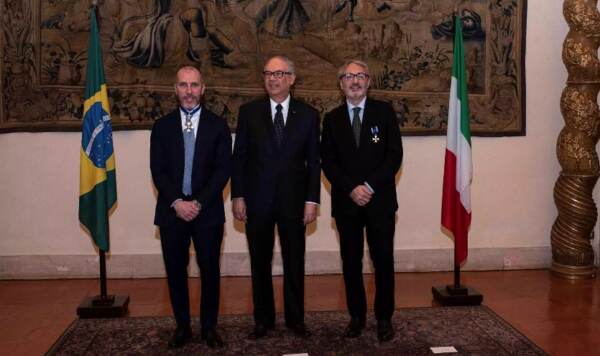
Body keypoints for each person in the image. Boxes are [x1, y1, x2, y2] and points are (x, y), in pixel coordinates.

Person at [231, 55, 320, 339]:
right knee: (260, 263)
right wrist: (238, 195)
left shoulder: (308, 115)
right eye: (268, 73)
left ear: (292, 79)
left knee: (295, 262)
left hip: (294, 202)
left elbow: (314, 162)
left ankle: (296, 319)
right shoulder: (249, 112)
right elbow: (240, 158)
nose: (273, 78)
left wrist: (312, 200)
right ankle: (263, 320)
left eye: (280, 73)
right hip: (257, 201)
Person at [320, 59, 403, 342]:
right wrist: (351, 189)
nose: (354, 81)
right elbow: (328, 162)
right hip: (347, 203)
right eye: (348, 77)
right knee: (351, 262)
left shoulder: (384, 112)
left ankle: (383, 319)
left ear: (368, 81)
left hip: (380, 202)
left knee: (383, 261)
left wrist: (367, 186)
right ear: (341, 83)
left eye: (360, 76)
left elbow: (394, 155)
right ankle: (356, 317)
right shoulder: (331, 119)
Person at [150, 65, 232, 349]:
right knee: (175, 271)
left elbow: (223, 171)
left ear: (203, 89)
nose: (189, 91)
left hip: (206, 212)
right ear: (175, 90)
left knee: (210, 271)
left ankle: (209, 327)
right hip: (172, 213)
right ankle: (182, 327)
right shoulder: (161, 127)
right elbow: (157, 171)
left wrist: (197, 202)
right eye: (183, 85)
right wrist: (177, 202)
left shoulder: (218, 126)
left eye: (194, 85)